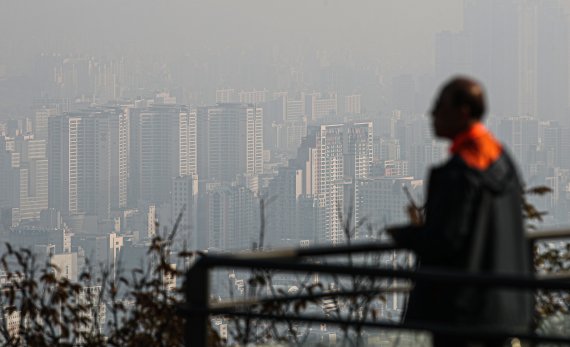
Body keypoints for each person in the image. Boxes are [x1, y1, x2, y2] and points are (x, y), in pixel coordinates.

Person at [388, 77, 533, 347]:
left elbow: (445, 241)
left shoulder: (460, 173)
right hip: (505, 307)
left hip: (462, 313)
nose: (432, 114)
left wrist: (406, 236)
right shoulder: (502, 160)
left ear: (462, 111)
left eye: (439, 106)